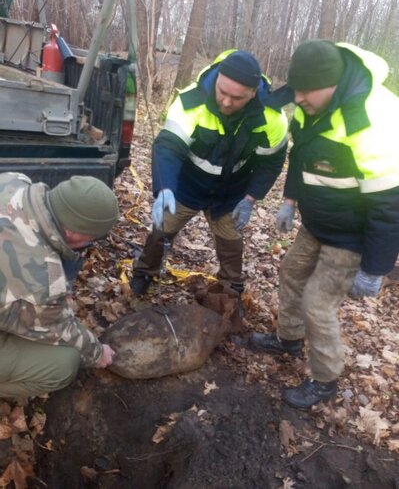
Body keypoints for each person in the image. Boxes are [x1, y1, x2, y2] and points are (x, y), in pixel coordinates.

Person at [249, 40, 399, 409]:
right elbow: (301, 156)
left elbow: (389, 203)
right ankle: (288, 339)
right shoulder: (310, 105)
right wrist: (289, 201)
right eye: (295, 89)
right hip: (317, 222)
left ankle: (325, 379)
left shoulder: (370, 120)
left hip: (352, 235)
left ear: (331, 84)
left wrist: (376, 268)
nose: (298, 99)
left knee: (318, 302)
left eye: (305, 91)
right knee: (291, 272)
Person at [130, 49, 288, 297]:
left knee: (231, 243)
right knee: (162, 229)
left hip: (231, 191)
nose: (226, 102)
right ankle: (144, 273)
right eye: (222, 92)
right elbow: (168, 147)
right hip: (187, 184)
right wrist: (165, 187)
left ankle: (230, 290)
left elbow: (272, 162)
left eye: (237, 98)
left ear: (253, 92)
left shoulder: (272, 118)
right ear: (217, 80)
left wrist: (251, 198)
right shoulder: (190, 102)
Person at [0, 172, 120, 399]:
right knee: (64, 365)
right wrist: (97, 353)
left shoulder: (14, 180)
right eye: (91, 238)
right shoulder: (42, 276)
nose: (90, 244)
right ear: (72, 231)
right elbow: (61, 330)